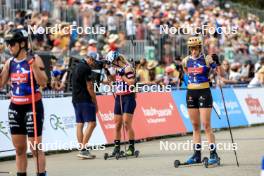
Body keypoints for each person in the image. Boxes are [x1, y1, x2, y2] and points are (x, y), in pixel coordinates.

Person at [0, 29, 48, 176]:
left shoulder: (35, 59)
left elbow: (44, 83)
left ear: (22, 43)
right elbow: (1, 83)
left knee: (35, 147)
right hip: (15, 107)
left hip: (32, 106)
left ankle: (41, 173)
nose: (9, 47)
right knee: (19, 148)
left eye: (12, 44)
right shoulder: (10, 62)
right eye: (8, 44)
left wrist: (33, 67)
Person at [181, 36, 223, 165]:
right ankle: (196, 155)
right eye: (191, 49)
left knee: (206, 124)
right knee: (195, 126)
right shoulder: (186, 61)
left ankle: (214, 154)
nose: (194, 51)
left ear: (199, 48)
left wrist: (217, 64)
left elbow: (218, 70)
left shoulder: (206, 58)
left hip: (204, 92)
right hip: (191, 92)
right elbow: (186, 72)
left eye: (196, 48)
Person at [105, 50, 137, 156]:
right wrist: (107, 78)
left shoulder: (127, 68)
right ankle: (117, 148)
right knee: (117, 124)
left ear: (118, 60)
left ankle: (131, 147)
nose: (112, 65)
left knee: (127, 123)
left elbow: (132, 82)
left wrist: (123, 76)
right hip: (118, 98)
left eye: (113, 62)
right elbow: (112, 81)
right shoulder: (117, 69)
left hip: (128, 97)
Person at [72, 52, 98, 159]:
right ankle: (83, 149)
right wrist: (95, 101)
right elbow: (90, 87)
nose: (94, 64)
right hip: (84, 98)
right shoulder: (86, 68)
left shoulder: (77, 66)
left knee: (80, 124)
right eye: (94, 62)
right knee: (92, 123)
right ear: (91, 59)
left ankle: (82, 150)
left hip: (75, 98)